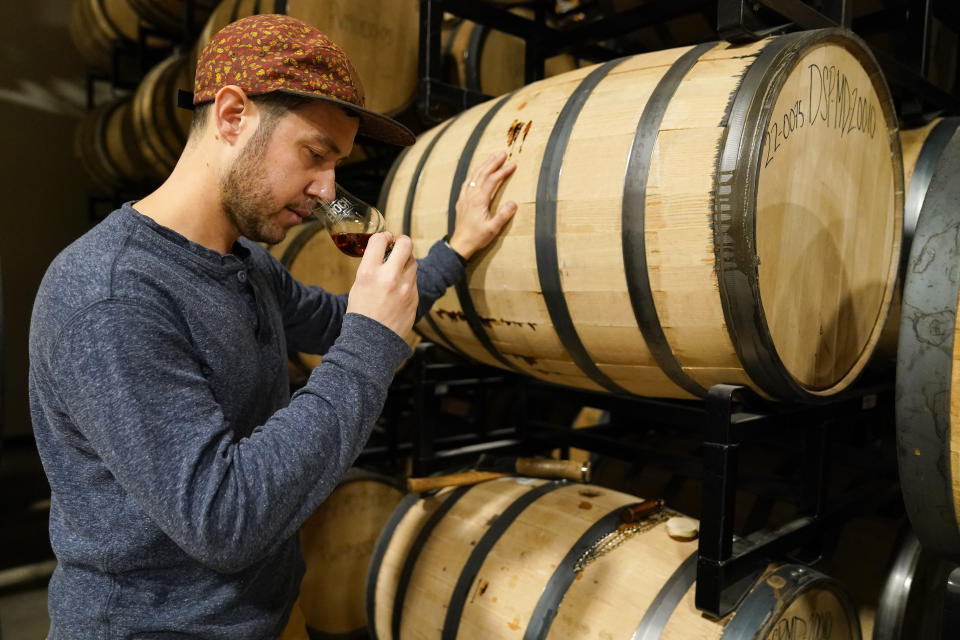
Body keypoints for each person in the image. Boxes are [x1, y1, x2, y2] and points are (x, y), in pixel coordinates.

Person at [29, 14, 517, 638]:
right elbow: (225, 520)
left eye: (338, 164)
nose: (326, 191)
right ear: (233, 117)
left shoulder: (248, 263)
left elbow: (345, 320)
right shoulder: (112, 295)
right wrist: (371, 344)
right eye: (315, 155)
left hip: (270, 616)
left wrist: (457, 246)